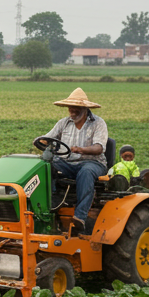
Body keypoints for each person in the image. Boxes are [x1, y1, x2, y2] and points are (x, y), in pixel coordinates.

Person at [40, 88, 109, 235]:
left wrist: (81, 149)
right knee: (46, 166)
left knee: (86, 172)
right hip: (67, 163)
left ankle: (80, 216)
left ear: (84, 108)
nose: (72, 110)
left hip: (92, 162)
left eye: (76, 107)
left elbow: (99, 148)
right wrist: (42, 141)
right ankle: (51, 203)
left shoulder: (98, 123)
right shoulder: (64, 123)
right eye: (70, 107)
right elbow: (47, 138)